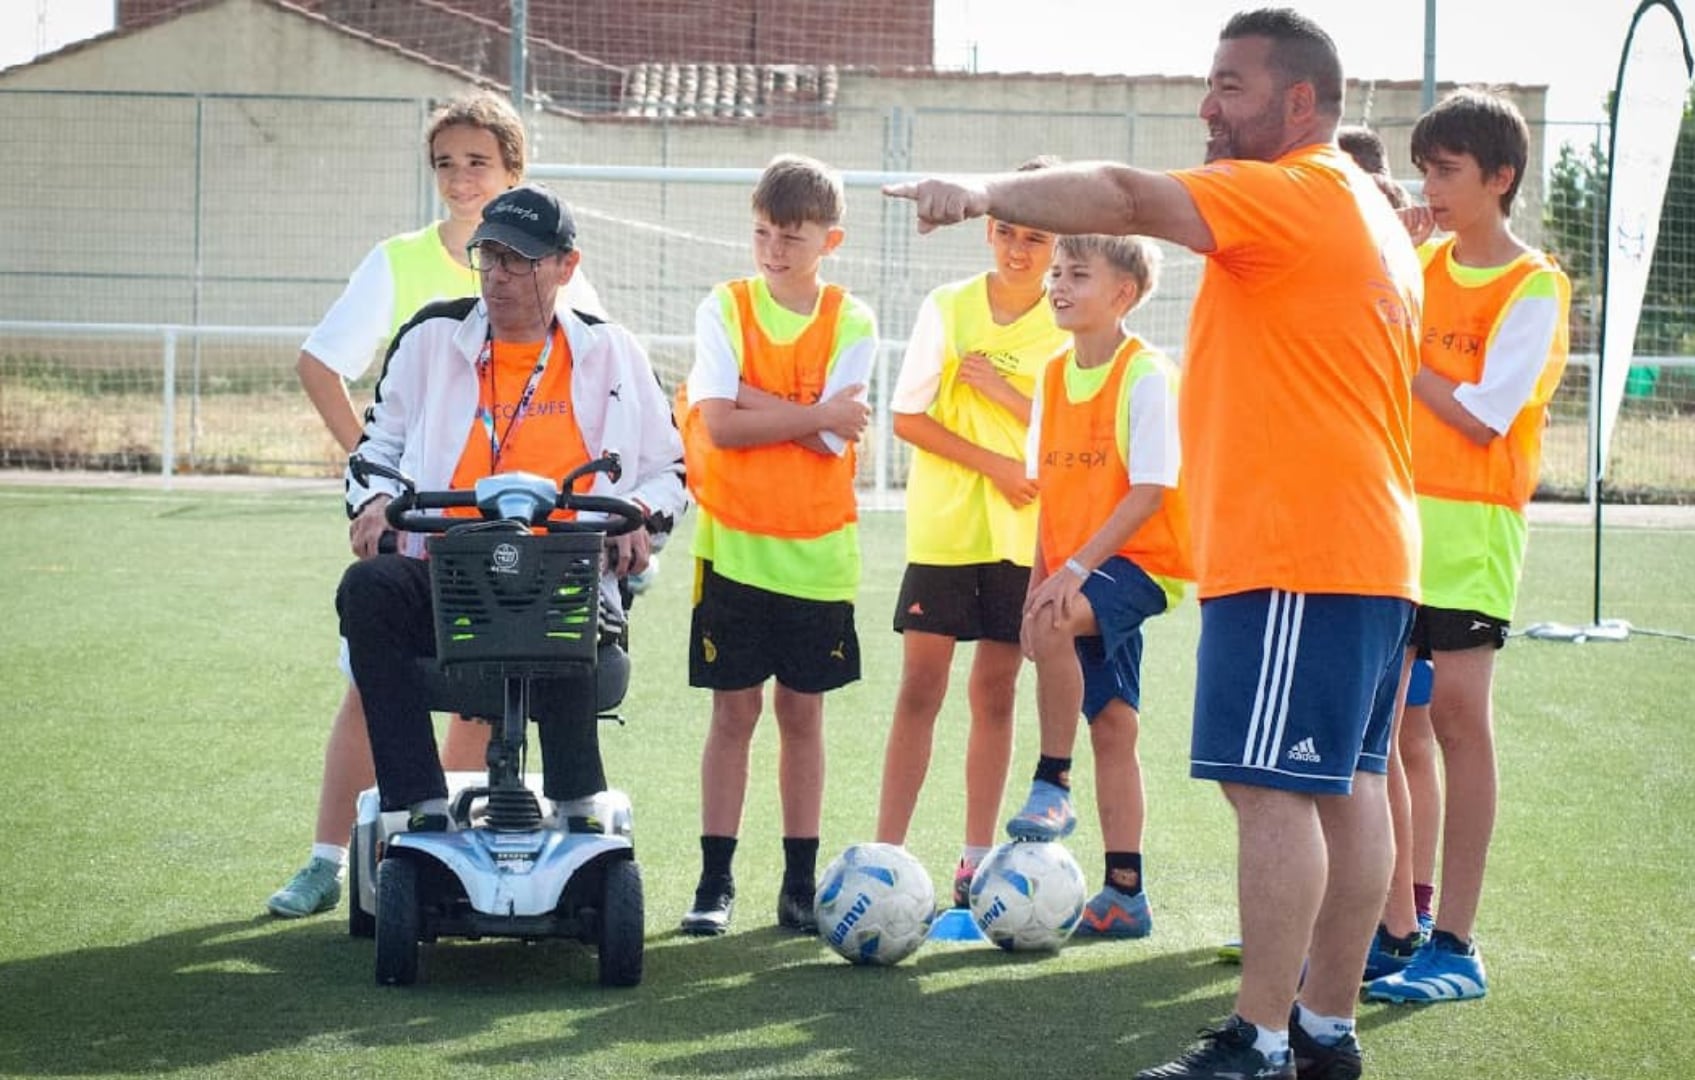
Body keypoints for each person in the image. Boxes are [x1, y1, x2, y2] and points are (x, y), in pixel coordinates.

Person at [886, 9, 1422, 1079]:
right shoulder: (1368, 209)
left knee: (1272, 793)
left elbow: (1130, 199)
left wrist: (989, 192)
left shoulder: (1290, 190)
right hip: (1368, 552)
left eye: (1230, 85)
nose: (1207, 106)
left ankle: (1259, 1039)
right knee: (1349, 787)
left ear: (1300, 102)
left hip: (1296, 553)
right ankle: (1324, 1031)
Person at [267, 91, 606, 918]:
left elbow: (600, 392)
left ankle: (449, 863)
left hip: (522, 541)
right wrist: (379, 489)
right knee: (374, 684)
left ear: (514, 170)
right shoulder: (398, 263)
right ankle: (329, 858)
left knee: (487, 698)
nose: (460, 178)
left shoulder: (558, 270)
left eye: (477, 162)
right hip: (425, 536)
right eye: (445, 163)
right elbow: (323, 364)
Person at [338, 183, 685, 834]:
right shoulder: (430, 337)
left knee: (567, 598)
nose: (497, 276)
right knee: (368, 587)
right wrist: (378, 501)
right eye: (489, 257)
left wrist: (639, 512)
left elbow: (671, 469)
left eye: (519, 261)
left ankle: (579, 806)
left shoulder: (612, 351)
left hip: (564, 572)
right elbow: (374, 447)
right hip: (444, 571)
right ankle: (419, 802)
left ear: (566, 266)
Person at [1366, 88, 1570, 1006]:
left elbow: (1485, 415)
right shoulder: (1417, 262)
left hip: (1473, 533)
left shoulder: (1534, 285)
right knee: (1380, 728)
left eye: (1445, 172)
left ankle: (1455, 945)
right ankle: (1391, 930)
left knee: (1455, 724)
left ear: (1500, 178)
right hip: (1390, 524)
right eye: (1423, 172)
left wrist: (1402, 354)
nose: (1429, 189)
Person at [676, 154, 877, 936]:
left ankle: (798, 885)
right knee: (732, 715)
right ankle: (714, 882)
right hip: (733, 548)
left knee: (802, 717)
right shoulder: (724, 306)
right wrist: (811, 411)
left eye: (791, 237)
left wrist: (748, 400)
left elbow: (830, 444)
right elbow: (719, 424)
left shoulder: (852, 321)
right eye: (762, 232)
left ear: (830, 240)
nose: (772, 250)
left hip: (818, 553)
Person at [872, 156, 1068, 908]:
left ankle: (975, 860)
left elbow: (1072, 428)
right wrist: (997, 465)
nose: (1019, 249)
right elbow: (907, 417)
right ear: (988, 231)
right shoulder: (948, 307)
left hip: (1024, 536)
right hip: (947, 528)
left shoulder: (1069, 321)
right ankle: (887, 854)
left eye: (1037, 238)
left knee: (996, 690)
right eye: (1007, 232)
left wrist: (1002, 388)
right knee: (920, 686)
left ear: (1060, 244)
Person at [1012, 233, 1190, 941]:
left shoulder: (1146, 374)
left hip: (1144, 561)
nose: (1057, 285)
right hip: (1079, 566)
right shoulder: (1052, 376)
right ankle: (1125, 894)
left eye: (1077, 275)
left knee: (1057, 622)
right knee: (1114, 723)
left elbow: (1149, 492)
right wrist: (1037, 586)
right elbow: (1050, 502)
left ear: (1123, 294)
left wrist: (1073, 574)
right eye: (1056, 272)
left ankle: (1052, 783)